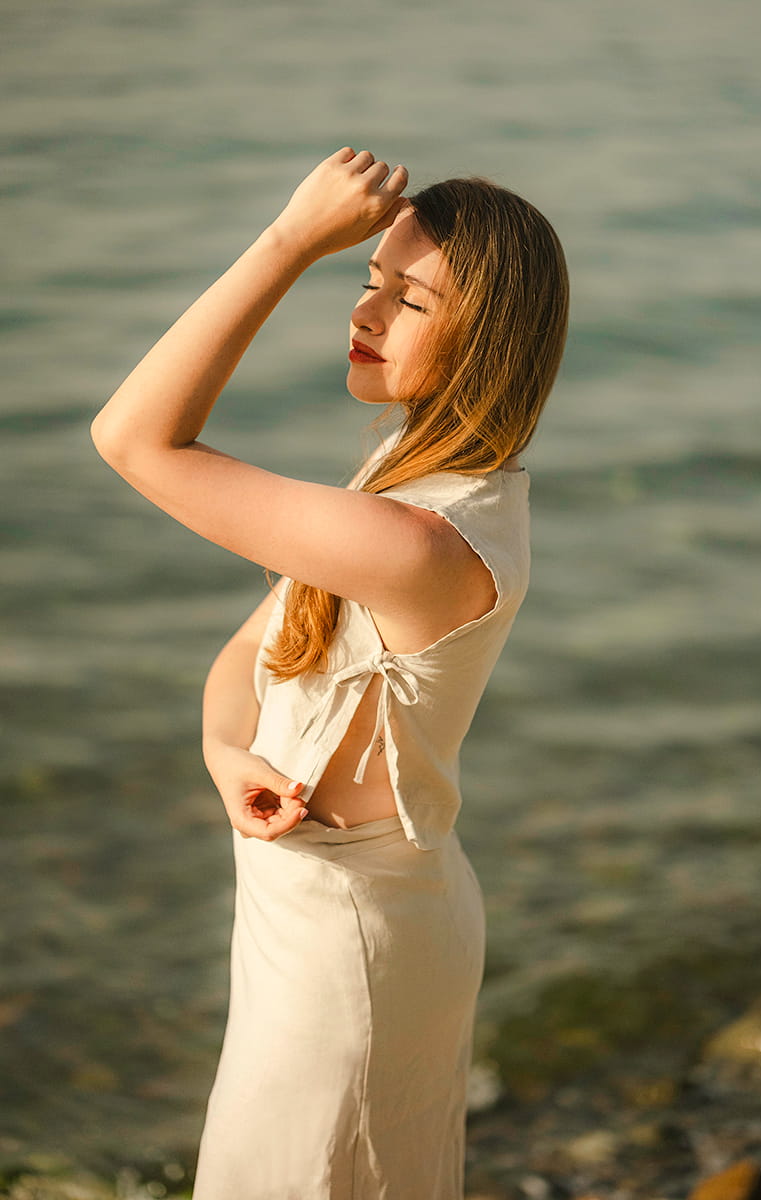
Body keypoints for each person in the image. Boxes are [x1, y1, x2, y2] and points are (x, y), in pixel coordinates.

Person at [91, 146, 569, 1200]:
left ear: (484, 335)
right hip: (324, 913)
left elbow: (131, 438)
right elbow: (254, 651)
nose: (364, 311)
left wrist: (288, 241)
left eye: (407, 297)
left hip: (351, 944)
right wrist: (226, 754)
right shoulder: (417, 477)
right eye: (365, 278)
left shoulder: (417, 541)